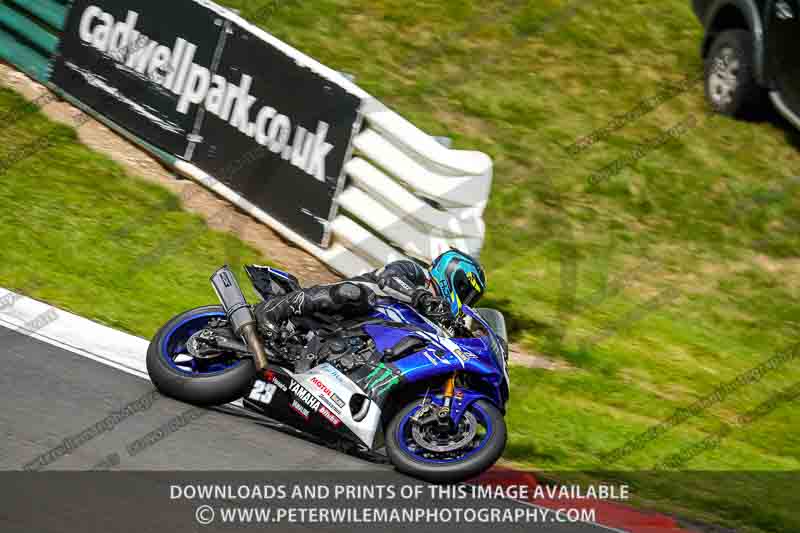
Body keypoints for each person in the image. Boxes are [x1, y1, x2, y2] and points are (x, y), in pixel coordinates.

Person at [254, 249, 487, 330]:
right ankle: (274, 308)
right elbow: (389, 278)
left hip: (354, 336)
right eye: (466, 293)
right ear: (453, 276)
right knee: (358, 294)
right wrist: (420, 296)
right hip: (342, 309)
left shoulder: (436, 318)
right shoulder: (417, 272)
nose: (467, 302)